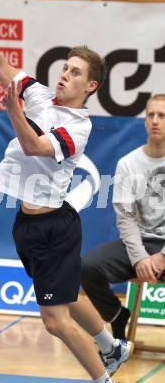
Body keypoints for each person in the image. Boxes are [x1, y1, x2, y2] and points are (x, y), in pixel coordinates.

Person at [0, 15, 132, 382]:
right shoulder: (38, 94)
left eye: (75, 72)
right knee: (70, 295)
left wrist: (12, 110)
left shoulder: (78, 126)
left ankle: (102, 377)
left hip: (54, 228)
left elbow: (34, 146)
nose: (64, 75)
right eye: (64, 68)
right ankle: (112, 347)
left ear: (90, 85)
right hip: (27, 224)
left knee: (55, 322)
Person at [81, 94, 165, 341]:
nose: (155, 121)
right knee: (86, 267)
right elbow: (125, 218)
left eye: (162, 116)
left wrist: (162, 257)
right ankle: (117, 315)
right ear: (144, 121)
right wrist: (140, 258)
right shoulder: (128, 164)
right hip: (141, 242)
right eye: (151, 115)